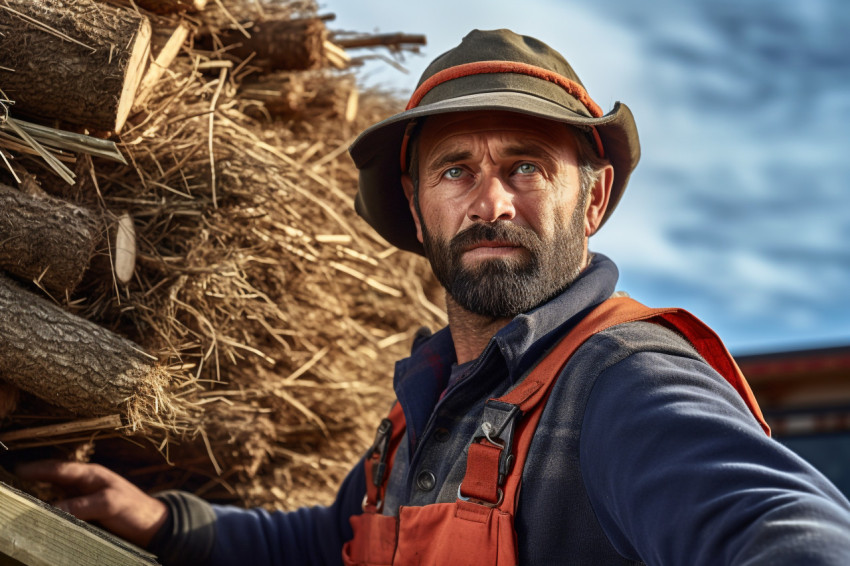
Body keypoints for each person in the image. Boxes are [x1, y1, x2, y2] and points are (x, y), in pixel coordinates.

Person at [17, 29, 850, 565]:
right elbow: (331, 542)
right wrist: (167, 522)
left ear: (590, 202)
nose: (490, 202)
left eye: (527, 166)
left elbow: (795, 539)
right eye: (457, 170)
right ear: (418, 207)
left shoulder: (621, 383)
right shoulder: (429, 406)